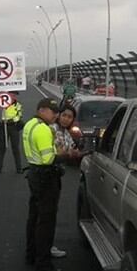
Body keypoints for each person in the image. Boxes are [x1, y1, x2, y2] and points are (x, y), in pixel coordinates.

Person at [22, 98, 65, 271]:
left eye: (56, 111)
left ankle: (31, 254)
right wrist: (65, 154)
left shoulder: (30, 124)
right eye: (52, 111)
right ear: (41, 110)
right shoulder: (43, 129)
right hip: (46, 178)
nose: (55, 115)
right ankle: (43, 262)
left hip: (34, 174)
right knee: (46, 221)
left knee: (34, 217)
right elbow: (48, 158)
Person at [47, 105, 83, 260]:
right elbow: (60, 152)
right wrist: (70, 153)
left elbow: (69, 149)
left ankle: (41, 246)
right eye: (64, 115)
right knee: (47, 214)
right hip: (47, 175)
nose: (67, 119)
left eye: (70, 117)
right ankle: (45, 248)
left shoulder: (65, 132)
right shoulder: (53, 129)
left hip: (53, 174)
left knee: (48, 213)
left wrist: (71, 152)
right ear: (58, 115)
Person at [0, 92, 23, 173]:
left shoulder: (18, 105)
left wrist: (11, 119)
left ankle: (19, 168)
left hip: (14, 127)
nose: (13, 97)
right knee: (2, 148)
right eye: (11, 95)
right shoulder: (3, 103)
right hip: (3, 127)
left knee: (15, 148)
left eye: (14, 95)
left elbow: (19, 115)